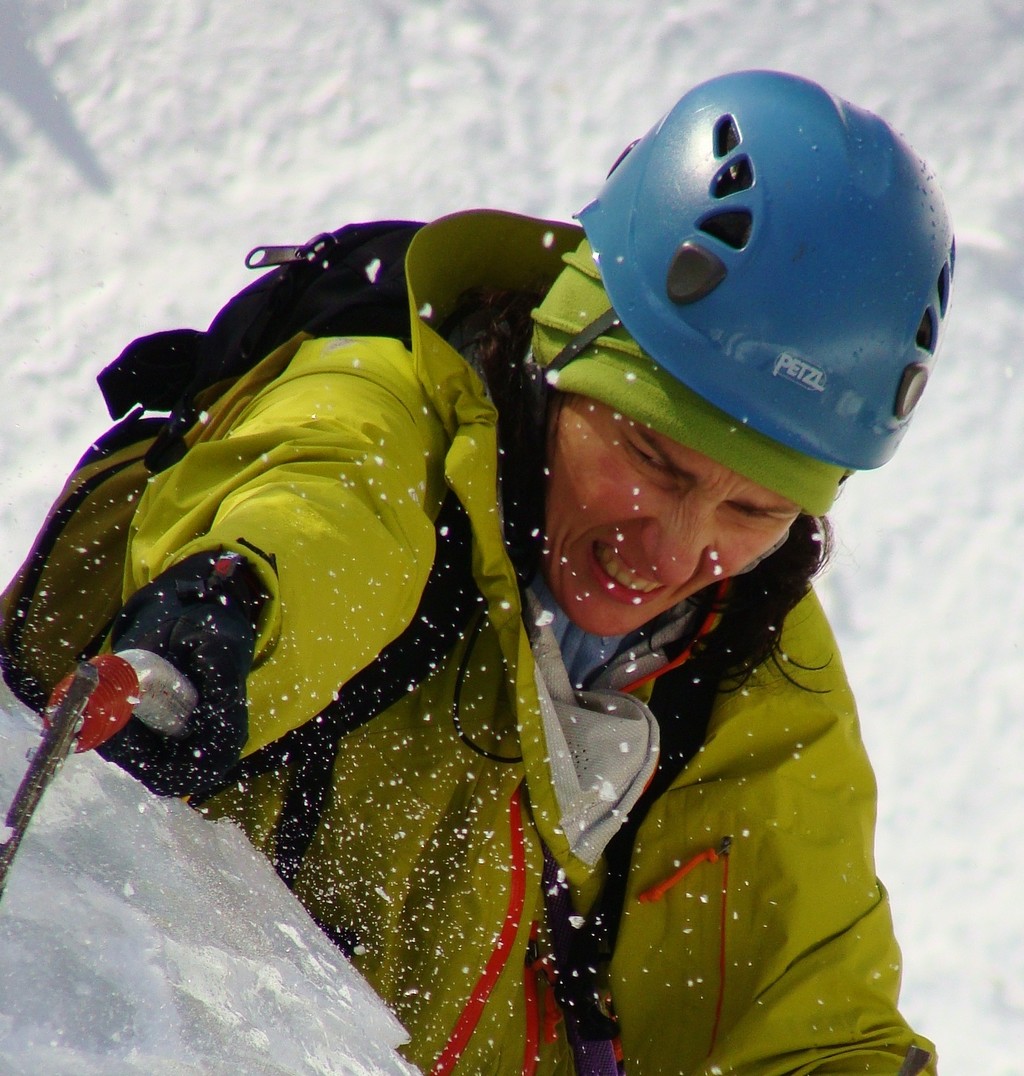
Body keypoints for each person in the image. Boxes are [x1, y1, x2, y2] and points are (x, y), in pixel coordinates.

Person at [92, 70, 954, 1074]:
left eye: (752, 509)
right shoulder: (387, 425)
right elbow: (323, 514)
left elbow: (816, 1022)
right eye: (650, 458)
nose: (671, 551)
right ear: (557, 361)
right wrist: (227, 630)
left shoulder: (748, 665)